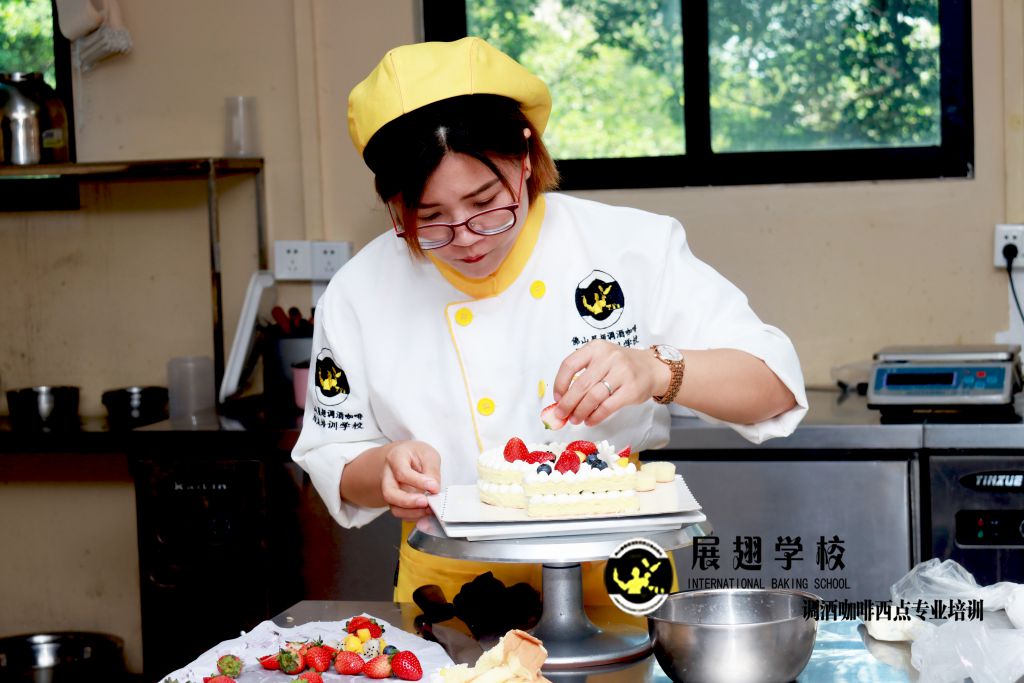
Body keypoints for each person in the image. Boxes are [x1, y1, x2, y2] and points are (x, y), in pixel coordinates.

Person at [292, 36, 807, 604]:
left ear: (524, 155)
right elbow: (334, 455)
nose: (465, 238)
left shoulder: (629, 245)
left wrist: (655, 370)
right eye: (428, 217)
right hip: (451, 585)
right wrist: (384, 469)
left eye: (485, 203)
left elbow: (773, 388)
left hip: (619, 576)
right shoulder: (358, 291)